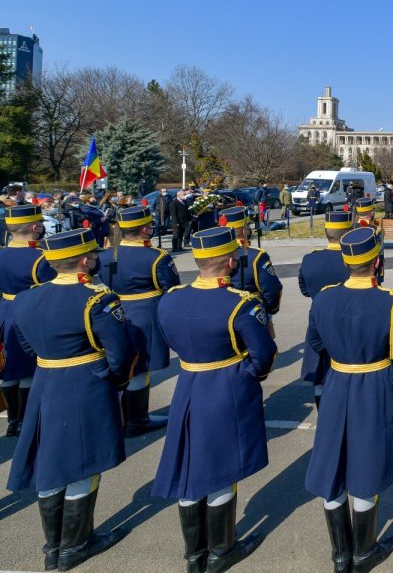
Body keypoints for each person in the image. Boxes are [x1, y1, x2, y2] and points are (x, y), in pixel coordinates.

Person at [7, 228, 135, 570]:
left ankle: (53, 547)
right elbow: (120, 354)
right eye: (94, 255)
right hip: (86, 383)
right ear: (83, 259)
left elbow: (27, 344)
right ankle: (76, 545)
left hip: (45, 380)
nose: (97, 259)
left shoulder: (26, 298)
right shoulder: (98, 298)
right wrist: (116, 380)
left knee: (50, 463)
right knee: (83, 464)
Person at [153, 225, 277, 573]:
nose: (238, 259)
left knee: (191, 467)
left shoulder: (171, 299)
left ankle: (195, 555)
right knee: (223, 469)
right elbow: (264, 353)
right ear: (228, 262)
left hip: (189, 383)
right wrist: (251, 373)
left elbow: (169, 337)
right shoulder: (240, 303)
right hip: (227, 386)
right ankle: (222, 550)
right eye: (235, 256)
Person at [305, 226, 393, 573]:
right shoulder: (391, 302)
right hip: (373, 384)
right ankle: (364, 552)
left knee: (332, 467)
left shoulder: (323, 299)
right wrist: (387, 379)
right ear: (378, 262)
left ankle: (340, 555)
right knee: (366, 468)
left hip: (337, 384)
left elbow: (316, 344)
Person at [96, 204, 180, 437]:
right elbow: (172, 290)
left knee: (121, 363)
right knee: (141, 367)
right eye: (150, 225)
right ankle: (136, 419)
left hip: (114, 311)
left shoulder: (104, 256)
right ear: (145, 230)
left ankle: (123, 416)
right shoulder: (157, 257)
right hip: (146, 315)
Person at [0, 203, 54, 437]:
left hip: (3, 311)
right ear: (35, 227)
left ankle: (13, 418)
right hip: (28, 313)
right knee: (28, 370)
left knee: (8, 368)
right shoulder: (41, 259)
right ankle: (22, 419)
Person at [297, 208, 354, 411]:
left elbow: (304, 290)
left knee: (319, 376)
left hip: (319, 320)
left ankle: (325, 417)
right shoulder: (354, 261)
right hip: (349, 321)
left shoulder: (310, 259)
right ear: (349, 231)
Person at [221, 206, 283, 328]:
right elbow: (272, 289)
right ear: (244, 230)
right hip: (250, 310)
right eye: (248, 225)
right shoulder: (256, 255)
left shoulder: (217, 254)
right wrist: (272, 309)